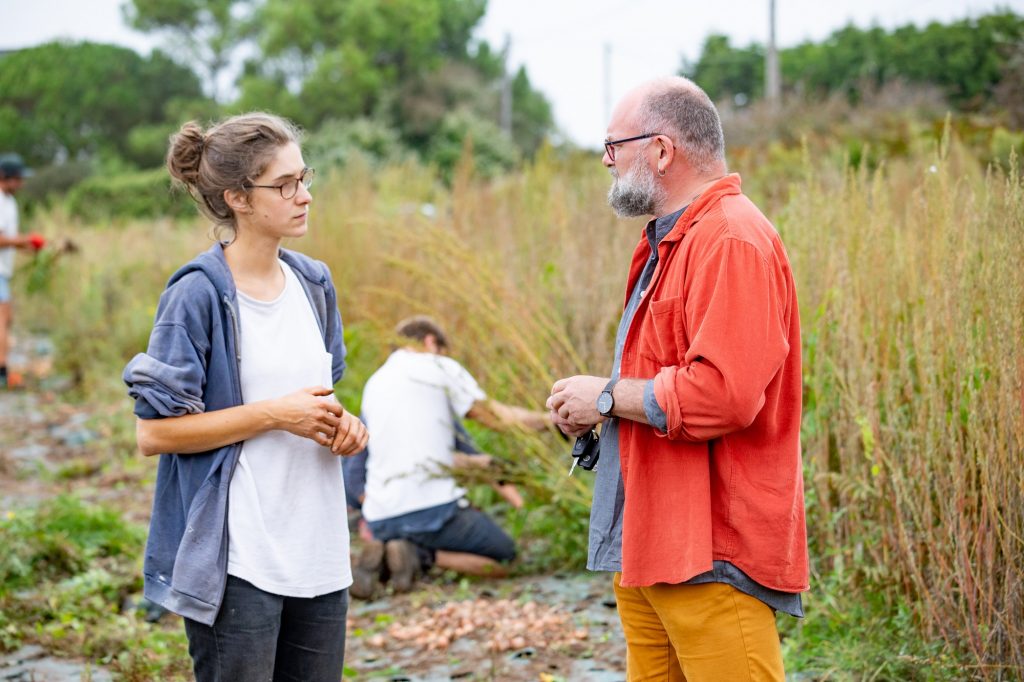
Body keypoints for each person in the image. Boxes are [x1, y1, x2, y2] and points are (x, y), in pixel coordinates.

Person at [546, 77, 808, 681]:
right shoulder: (669, 241)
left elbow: (724, 394)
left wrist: (607, 396)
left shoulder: (732, 239)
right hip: (651, 543)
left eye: (614, 146)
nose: (606, 161)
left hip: (710, 552)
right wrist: (599, 408)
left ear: (661, 151)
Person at [122, 112, 368, 681]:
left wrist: (345, 426)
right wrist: (275, 415)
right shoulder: (197, 295)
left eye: (304, 178)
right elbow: (153, 433)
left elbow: (319, 400)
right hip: (240, 560)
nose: (303, 195)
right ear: (237, 197)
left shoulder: (314, 283)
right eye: (284, 185)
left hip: (320, 553)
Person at [349, 315, 547, 598]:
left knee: (410, 526)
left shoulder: (375, 383)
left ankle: (391, 552)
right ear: (431, 342)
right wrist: (549, 420)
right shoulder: (437, 365)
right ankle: (421, 555)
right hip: (433, 511)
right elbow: (495, 418)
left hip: (381, 517)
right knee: (506, 559)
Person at [0, 154, 45, 389]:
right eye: (17, 179)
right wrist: (25, 239)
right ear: (4, 177)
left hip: (3, 271)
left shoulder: (10, 203)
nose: (21, 184)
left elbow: (9, 240)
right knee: (3, 318)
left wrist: (31, 247)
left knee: (6, 320)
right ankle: (2, 370)